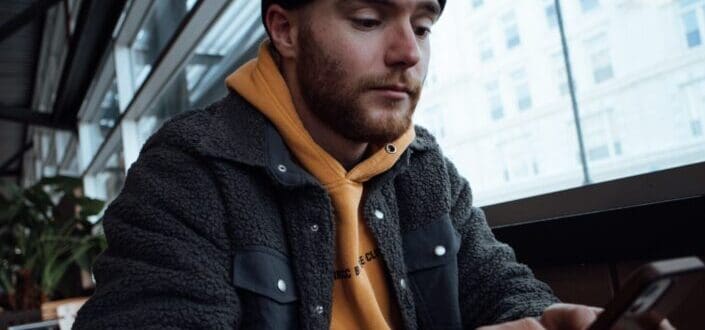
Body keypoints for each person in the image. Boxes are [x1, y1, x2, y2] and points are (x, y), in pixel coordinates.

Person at [72, 0, 674, 329]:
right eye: (368, 20)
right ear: (284, 29)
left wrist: (546, 319)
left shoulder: (422, 165)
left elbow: (496, 284)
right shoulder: (189, 172)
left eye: (422, 25)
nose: (408, 53)